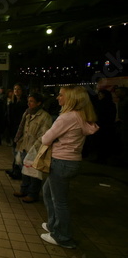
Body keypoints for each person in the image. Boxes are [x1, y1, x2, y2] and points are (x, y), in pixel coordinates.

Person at [40, 85, 98, 249]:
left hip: (61, 162)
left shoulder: (67, 117)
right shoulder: (81, 115)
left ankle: (62, 237)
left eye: (61, 95)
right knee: (47, 192)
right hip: (72, 162)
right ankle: (53, 225)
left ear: (71, 99)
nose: (58, 98)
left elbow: (45, 139)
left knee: (60, 202)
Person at [12, 93, 52, 203]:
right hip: (25, 145)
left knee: (34, 173)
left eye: (32, 101)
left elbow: (44, 135)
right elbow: (22, 129)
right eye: (28, 101)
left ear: (39, 103)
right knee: (25, 170)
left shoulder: (45, 116)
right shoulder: (27, 113)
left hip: (35, 148)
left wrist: (35, 148)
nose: (29, 103)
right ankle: (23, 190)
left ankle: (33, 194)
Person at [6, 83, 28, 180]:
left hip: (20, 129)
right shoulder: (12, 102)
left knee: (19, 151)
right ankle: (15, 169)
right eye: (15, 89)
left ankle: (18, 171)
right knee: (15, 150)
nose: (16, 91)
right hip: (13, 128)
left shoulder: (24, 102)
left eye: (18, 89)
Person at [93, 89, 116, 163]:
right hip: (103, 125)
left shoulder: (105, 104)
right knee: (101, 142)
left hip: (103, 126)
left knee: (102, 142)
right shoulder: (107, 103)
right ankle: (101, 157)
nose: (99, 96)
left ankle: (102, 158)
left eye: (101, 94)